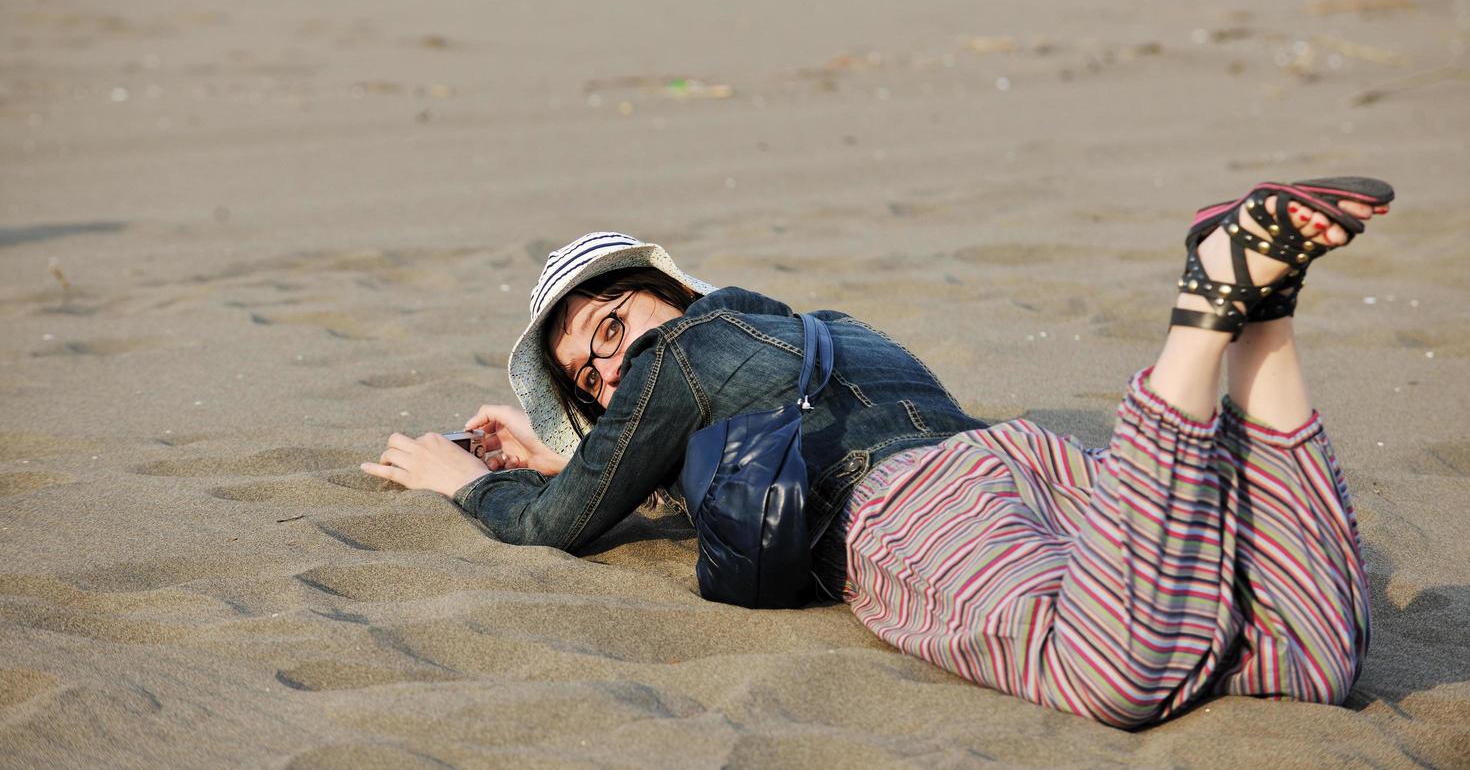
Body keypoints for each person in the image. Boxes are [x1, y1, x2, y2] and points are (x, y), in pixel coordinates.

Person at [361, 177, 1392, 728]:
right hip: (1023, 463)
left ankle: (1209, 311)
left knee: (1108, 666)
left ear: (673, 297)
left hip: (909, 509)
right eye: (587, 379)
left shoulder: (673, 356)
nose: (608, 369)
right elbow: (729, 463)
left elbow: (556, 525)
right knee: (1298, 661)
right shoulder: (816, 328)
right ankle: (1266, 315)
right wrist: (560, 454)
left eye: (610, 328)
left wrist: (468, 483)